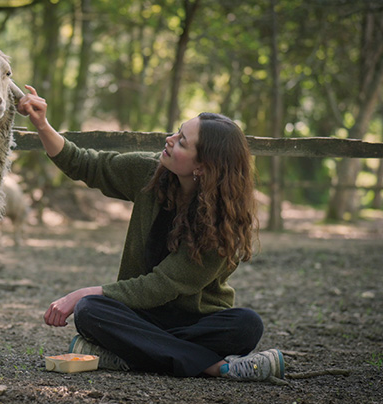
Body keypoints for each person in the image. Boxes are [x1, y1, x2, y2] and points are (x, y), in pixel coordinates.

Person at [16, 85, 284, 381]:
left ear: (203, 167)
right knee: (91, 311)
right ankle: (215, 367)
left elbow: (162, 285)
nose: (169, 141)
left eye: (182, 142)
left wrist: (82, 292)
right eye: (177, 132)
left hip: (194, 322)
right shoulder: (150, 174)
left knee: (247, 325)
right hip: (138, 316)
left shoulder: (223, 224)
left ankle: (127, 355)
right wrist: (41, 124)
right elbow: (86, 164)